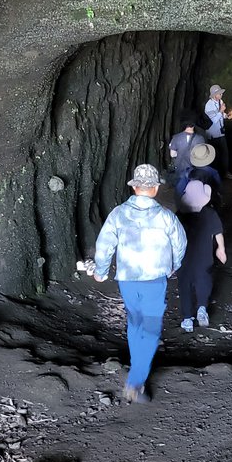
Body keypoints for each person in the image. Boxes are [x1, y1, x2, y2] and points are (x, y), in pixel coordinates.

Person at [92, 164, 187, 403]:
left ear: (134, 187)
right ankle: (136, 380)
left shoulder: (118, 214)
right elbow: (180, 245)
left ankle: (137, 366)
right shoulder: (166, 217)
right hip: (154, 279)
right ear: (155, 189)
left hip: (128, 278)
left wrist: (101, 271)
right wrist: (173, 265)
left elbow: (104, 244)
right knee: (152, 329)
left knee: (135, 322)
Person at [176, 182, 227, 333]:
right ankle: (202, 308)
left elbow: (172, 236)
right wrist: (221, 249)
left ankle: (187, 319)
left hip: (183, 258)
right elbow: (218, 232)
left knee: (184, 286)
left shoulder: (179, 215)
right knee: (203, 281)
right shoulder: (210, 213)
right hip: (204, 256)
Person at [203, 84, 232, 179]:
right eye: (219, 93)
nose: (221, 95)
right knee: (214, 155)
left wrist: (226, 116)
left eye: (221, 93)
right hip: (212, 135)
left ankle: (225, 172)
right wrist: (221, 111)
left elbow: (221, 114)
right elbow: (213, 120)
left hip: (221, 133)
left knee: (225, 153)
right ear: (214, 95)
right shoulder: (208, 105)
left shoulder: (220, 101)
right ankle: (215, 175)